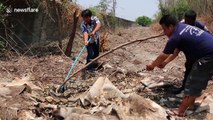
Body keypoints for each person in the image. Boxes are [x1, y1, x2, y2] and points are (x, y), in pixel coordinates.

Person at [146, 14, 213, 116]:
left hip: (209, 55)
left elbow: (163, 55)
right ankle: (190, 105)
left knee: (193, 82)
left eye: (164, 29)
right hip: (208, 52)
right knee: (194, 79)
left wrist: (152, 65)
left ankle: (180, 111)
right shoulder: (182, 28)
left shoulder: (175, 36)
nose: (164, 33)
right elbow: (175, 52)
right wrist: (164, 63)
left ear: (171, 26)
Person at [159, 10, 210, 94]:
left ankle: (191, 93)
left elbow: (209, 35)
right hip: (190, 49)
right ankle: (184, 88)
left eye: (190, 22)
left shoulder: (200, 25)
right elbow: (176, 51)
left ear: (194, 20)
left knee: (197, 68)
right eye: (186, 21)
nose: (187, 23)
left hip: (201, 51)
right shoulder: (181, 25)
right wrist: (165, 63)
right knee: (189, 66)